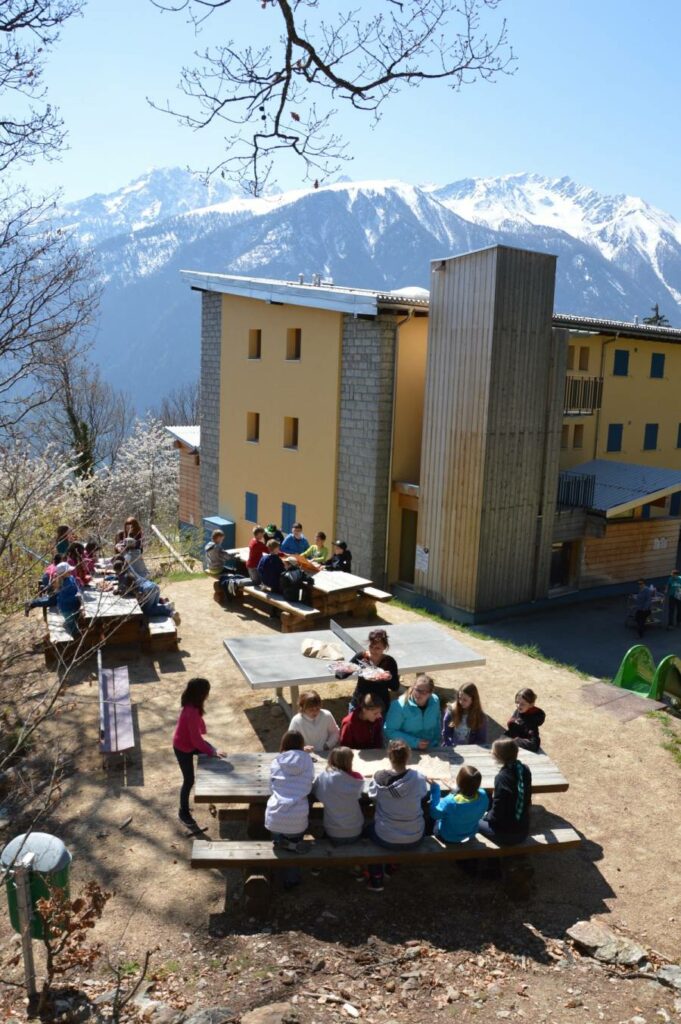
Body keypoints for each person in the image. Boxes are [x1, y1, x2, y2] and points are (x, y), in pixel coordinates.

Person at [365, 739, 429, 891]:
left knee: (367, 831)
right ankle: (392, 866)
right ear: (408, 757)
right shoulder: (418, 778)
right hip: (415, 836)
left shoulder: (379, 777)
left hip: (386, 837)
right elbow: (423, 794)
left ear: (389, 756)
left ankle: (376, 876)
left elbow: (371, 794)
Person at [172, 677, 225, 832]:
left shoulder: (193, 704)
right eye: (207, 691)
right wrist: (211, 751)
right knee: (189, 780)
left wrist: (204, 733)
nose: (208, 694)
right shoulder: (191, 711)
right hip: (182, 748)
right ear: (201, 693)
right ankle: (183, 812)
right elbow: (196, 741)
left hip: (191, 743)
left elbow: (198, 725)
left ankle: (210, 791)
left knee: (213, 753)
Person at [265, 731, 315, 887]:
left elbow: (271, 787)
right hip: (297, 817)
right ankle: (291, 879)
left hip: (274, 815)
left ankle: (280, 845)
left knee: (279, 839)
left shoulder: (276, 761)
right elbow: (310, 780)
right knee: (294, 844)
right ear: (301, 744)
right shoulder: (307, 760)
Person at [478, 738, 532, 846]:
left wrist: (485, 816)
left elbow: (497, 812)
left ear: (498, 756)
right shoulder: (524, 769)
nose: (491, 752)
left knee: (473, 819)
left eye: (492, 751)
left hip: (507, 834)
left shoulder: (502, 778)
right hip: (523, 828)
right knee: (489, 797)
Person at [313, 746, 364, 844]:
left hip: (332, 831)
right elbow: (360, 794)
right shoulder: (357, 778)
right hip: (356, 830)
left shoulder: (324, 777)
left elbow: (316, 792)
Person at [428, 765, 489, 843]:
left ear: (458, 780)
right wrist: (456, 789)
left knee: (436, 819)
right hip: (470, 833)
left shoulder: (450, 801)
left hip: (448, 837)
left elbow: (434, 815)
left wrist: (435, 789)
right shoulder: (483, 795)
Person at [112, 557, 180, 624]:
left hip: (148, 590)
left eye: (116, 572)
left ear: (119, 570)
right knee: (153, 606)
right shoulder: (129, 570)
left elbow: (126, 591)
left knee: (147, 611)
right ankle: (167, 605)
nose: (116, 573)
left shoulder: (125, 577)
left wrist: (116, 591)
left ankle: (170, 612)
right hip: (154, 586)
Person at [383, 674, 441, 750]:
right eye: (417, 690)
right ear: (413, 687)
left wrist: (436, 741)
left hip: (431, 747)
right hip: (406, 749)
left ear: (430, 693)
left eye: (423, 692)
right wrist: (415, 742)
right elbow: (390, 731)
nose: (418, 694)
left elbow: (437, 723)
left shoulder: (435, 701)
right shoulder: (399, 706)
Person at [349, 628, 400, 712]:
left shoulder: (390, 662)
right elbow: (340, 675)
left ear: (384, 647)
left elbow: (395, 687)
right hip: (359, 703)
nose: (373, 650)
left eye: (377, 648)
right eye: (371, 647)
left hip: (380, 706)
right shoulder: (361, 657)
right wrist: (345, 669)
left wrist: (388, 678)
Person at [441, 683, 488, 747]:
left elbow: (481, 740)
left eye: (465, 700)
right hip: (452, 748)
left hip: (471, 750)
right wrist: (451, 745)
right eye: (459, 698)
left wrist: (470, 750)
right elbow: (446, 734)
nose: (461, 702)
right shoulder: (451, 711)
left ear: (473, 700)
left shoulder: (480, 717)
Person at [505, 688, 545, 752]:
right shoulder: (519, 711)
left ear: (531, 705)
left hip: (523, 746)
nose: (518, 706)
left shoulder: (532, 720)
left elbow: (534, 745)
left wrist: (516, 741)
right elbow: (513, 728)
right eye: (517, 702)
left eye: (522, 704)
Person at [54, 562, 84, 637]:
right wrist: (76, 596)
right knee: (73, 628)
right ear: (64, 573)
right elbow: (64, 599)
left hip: (74, 606)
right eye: (68, 571)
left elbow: (77, 587)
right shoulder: (63, 585)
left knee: (77, 620)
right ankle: (76, 637)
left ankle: (74, 628)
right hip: (66, 609)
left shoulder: (71, 578)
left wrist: (79, 594)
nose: (70, 571)